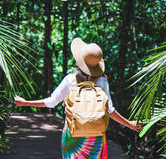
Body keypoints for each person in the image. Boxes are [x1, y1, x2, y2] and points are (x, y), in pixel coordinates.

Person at [14, 38, 142, 159]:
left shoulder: (70, 79)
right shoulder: (102, 81)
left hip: (73, 135)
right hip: (95, 136)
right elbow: (110, 110)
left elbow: (51, 102)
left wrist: (25, 102)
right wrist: (129, 124)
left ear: (78, 62)